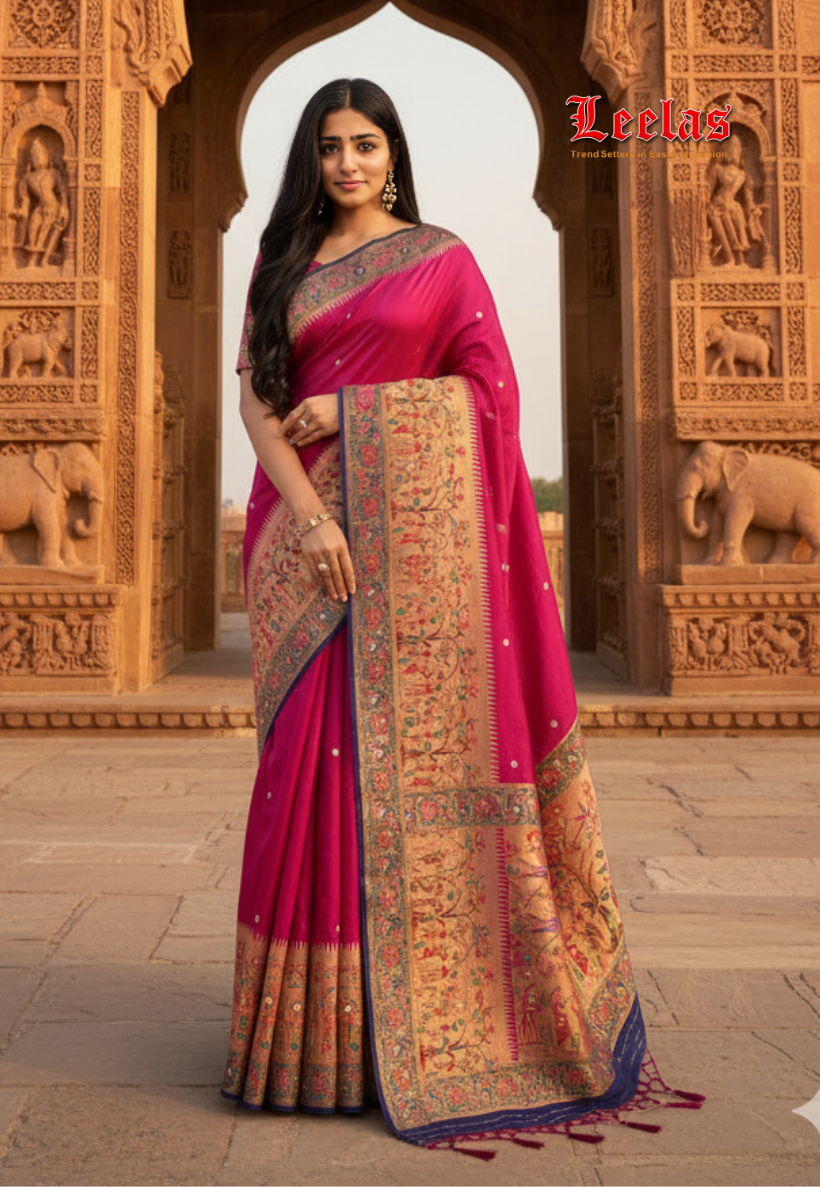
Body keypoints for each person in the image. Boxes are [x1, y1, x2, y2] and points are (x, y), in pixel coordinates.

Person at [221, 78, 702, 1153]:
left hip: (417, 559)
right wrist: (306, 515)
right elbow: (257, 394)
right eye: (330, 146)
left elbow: (488, 398)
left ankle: (418, 1033)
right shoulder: (284, 260)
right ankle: (304, 1045)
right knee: (302, 778)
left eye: (366, 143)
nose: (347, 162)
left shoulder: (441, 258)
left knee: (385, 777)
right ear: (311, 157)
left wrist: (355, 409)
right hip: (305, 547)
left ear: (393, 152)